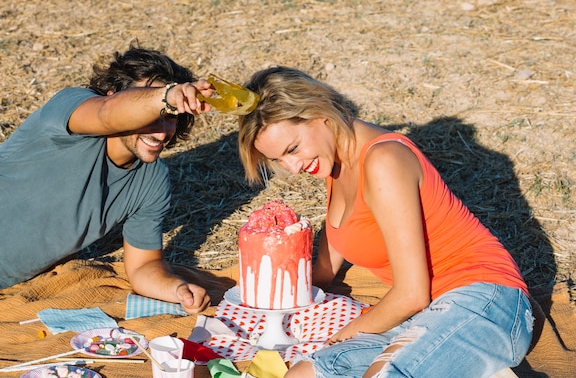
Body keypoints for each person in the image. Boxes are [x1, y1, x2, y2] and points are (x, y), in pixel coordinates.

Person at [237, 66, 534, 378]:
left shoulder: (384, 160)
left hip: (485, 302)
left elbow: (411, 293)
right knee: (302, 374)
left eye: (292, 149)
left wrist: (339, 337)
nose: (292, 167)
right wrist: (267, 294)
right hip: (423, 315)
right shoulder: (334, 163)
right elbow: (323, 272)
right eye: (279, 160)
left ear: (319, 113)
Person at [0, 46, 214, 314]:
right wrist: (168, 97)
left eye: (171, 117)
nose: (161, 133)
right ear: (114, 95)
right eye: (150, 113)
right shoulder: (70, 108)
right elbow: (106, 113)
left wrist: (177, 289)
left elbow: (143, 266)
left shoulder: (153, 181)